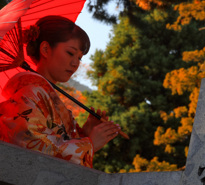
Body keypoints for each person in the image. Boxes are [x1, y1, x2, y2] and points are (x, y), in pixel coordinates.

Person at [0, 15, 121, 168]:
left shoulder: (44, 94)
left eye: (80, 58)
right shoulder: (30, 92)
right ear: (45, 49)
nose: (75, 63)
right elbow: (32, 145)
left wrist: (85, 134)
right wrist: (89, 144)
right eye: (70, 53)